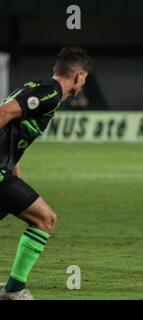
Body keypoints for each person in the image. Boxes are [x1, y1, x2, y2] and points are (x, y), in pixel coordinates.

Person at [0, 47, 93, 300]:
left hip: (4, 170)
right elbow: (4, 112)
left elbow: (13, 124)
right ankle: (15, 289)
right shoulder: (50, 94)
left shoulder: (38, 87)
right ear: (79, 76)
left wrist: (13, 165)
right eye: (85, 78)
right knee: (45, 219)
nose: (84, 82)